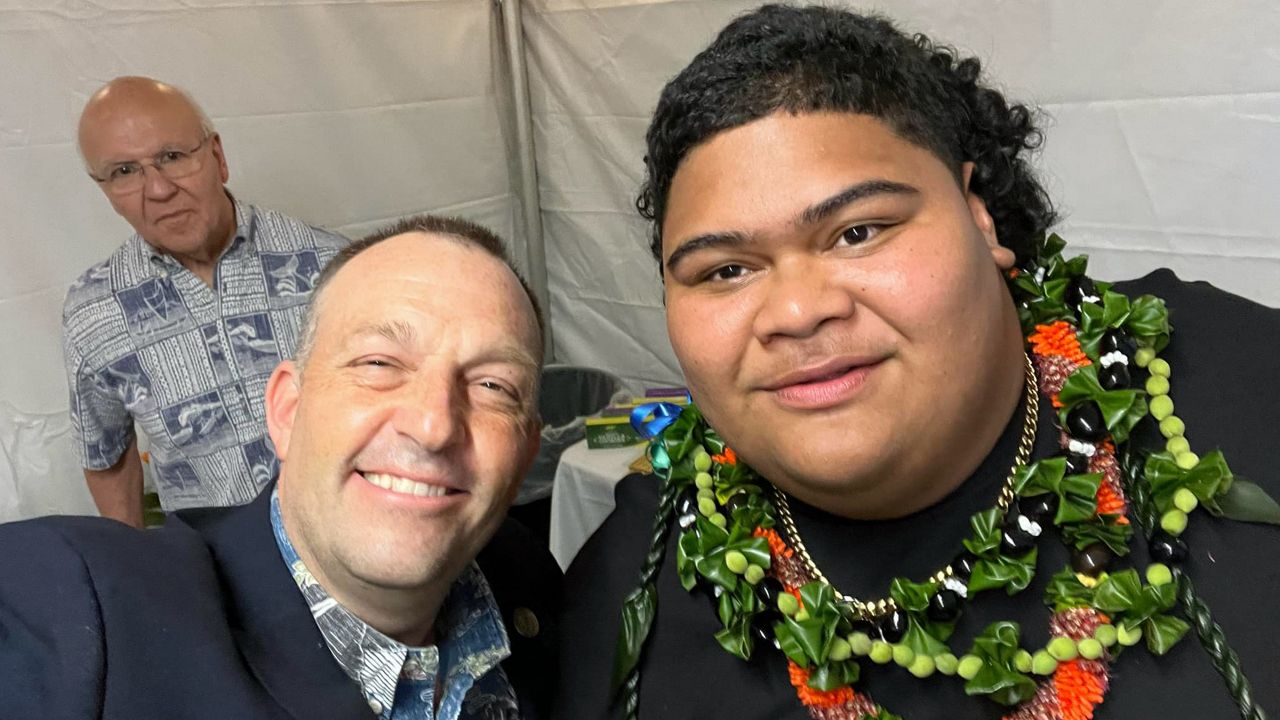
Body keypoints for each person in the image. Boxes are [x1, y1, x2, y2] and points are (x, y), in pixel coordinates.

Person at [557, 5, 1280, 719]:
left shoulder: (1236, 380)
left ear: (980, 217)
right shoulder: (636, 582)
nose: (797, 312)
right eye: (724, 271)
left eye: (858, 232)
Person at [1, 216, 560, 719]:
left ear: (527, 452)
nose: (433, 426)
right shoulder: (86, 607)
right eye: (379, 362)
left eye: (493, 386)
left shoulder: (532, 576)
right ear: (288, 411)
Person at [65, 76, 348, 526]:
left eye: (172, 157)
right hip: (211, 559)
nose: (157, 189)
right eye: (124, 171)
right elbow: (107, 456)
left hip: (344, 532)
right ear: (104, 189)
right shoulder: (95, 311)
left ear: (217, 157)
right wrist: (137, 567)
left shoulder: (330, 265)